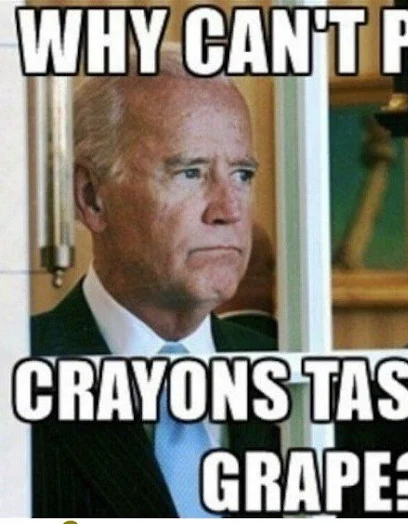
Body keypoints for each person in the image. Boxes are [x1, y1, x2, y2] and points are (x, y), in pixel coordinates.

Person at [30, 45, 278, 517]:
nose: (229, 210)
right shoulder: (17, 373)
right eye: (191, 172)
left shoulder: (300, 379)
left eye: (242, 175)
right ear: (91, 197)